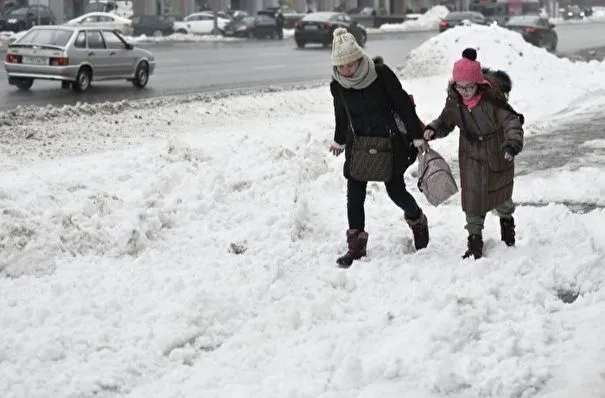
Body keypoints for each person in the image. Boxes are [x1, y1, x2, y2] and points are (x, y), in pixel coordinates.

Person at [329, 27, 430, 268]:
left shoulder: (381, 74)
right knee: (354, 197)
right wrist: (339, 140)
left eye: (351, 64)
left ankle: (417, 219)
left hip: (389, 142)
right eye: (341, 66)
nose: (347, 70)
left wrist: (416, 136)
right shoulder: (338, 85)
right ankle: (355, 247)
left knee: (395, 191)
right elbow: (341, 115)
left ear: (359, 58)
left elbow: (403, 105)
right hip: (359, 145)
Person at [423, 48, 524, 260]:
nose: (465, 91)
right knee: (473, 197)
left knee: (501, 195)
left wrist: (511, 144)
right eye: (460, 86)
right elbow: (445, 121)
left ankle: (507, 227)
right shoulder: (455, 102)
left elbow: (511, 122)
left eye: (469, 87)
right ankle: (474, 241)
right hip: (470, 154)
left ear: (479, 84)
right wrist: (433, 128)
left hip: (497, 151)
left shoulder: (492, 100)